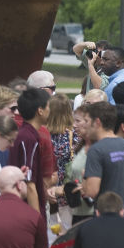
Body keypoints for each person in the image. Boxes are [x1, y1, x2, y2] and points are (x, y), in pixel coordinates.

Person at [81, 102, 124, 226]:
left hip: (108, 221)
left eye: (87, 121)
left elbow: (92, 192)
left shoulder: (96, 150)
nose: (85, 125)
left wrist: (85, 178)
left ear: (97, 122)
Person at [10, 87, 53, 213]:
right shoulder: (28, 138)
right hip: (26, 210)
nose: (50, 111)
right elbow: (29, 184)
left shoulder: (28, 134)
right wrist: (37, 220)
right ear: (40, 110)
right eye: (48, 107)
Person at [47, 93, 81, 230]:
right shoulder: (76, 135)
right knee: (69, 230)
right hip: (68, 190)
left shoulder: (43, 135)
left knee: (51, 230)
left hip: (49, 190)